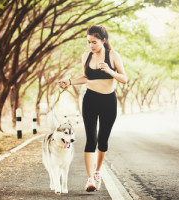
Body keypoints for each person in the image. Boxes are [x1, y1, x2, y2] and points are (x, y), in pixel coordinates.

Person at [58, 25, 127, 192]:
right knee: (91, 139)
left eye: (94, 42)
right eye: (88, 42)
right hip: (90, 99)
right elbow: (86, 77)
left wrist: (110, 71)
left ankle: (97, 172)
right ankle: (90, 179)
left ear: (103, 40)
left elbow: (124, 79)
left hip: (108, 102)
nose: (91, 45)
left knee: (102, 141)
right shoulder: (86, 56)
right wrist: (70, 81)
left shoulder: (113, 56)